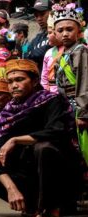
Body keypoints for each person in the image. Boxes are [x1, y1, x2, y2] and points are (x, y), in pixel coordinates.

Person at [0, 59, 83, 217]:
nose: (14, 85)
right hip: (31, 174)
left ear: (34, 81)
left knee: (43, 148)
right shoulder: (7, 112)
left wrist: (16, 140)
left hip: (61, 174)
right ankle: (34, 205)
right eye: (10, 81)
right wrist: (11, 189)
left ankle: (51, 209)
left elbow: (56, 131)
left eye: (20, 80)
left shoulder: (52, 100)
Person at [53, 3, 88, 165]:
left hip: (78, 105)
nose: (65, 34)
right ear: (54, 33)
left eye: (69, 29)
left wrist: (83, 113)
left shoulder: (80, 50)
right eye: (60, 30)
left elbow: (84, 81)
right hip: (66, 105)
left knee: (83, 145)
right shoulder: (61, 55)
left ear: (78, 31)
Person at [24, 0, 52, 71]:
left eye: (42, 14)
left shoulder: (60, 33)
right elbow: (25, 56)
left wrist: (32, 54)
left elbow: (42, 53)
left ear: (52, 12)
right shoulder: (36, 38)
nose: (39, 19)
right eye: (36, 16)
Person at [40, 14, 63, 93]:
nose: (47, 36)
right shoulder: (48, 53)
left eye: (50, 33)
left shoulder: (76, 49)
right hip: (52, 95)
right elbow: (44, 78)